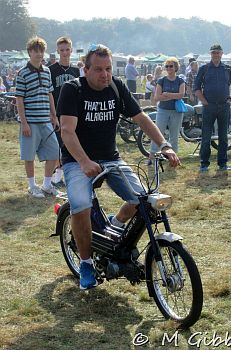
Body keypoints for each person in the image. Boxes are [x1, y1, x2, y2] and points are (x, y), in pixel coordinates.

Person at [57, 44, 180, 290]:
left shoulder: (116, 87)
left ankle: (112, 230)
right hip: (77, 161)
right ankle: (86, 263)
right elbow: (67, 131)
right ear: (86, 69)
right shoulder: (72, 90)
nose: (105, 74)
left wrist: (164, 145)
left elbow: (142, 118)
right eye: (99, 69)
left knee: (142, 200)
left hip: (111, 158)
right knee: (81, 205)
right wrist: (83, 161)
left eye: (109, 69)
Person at [15, 36, 59, 198]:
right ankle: (32, 186)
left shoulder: (47, 71)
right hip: (30, 122)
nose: (39, 54)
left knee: (54, 153)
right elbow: (19, 99)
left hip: (46, 121)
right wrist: (24, 123)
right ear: (29, 52)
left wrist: (54, 115)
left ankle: (47, 185)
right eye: (36, 51)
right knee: (29, 155)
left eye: (41, 51)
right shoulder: (22, 73)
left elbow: (50, 94)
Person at [194, 44, 231, 172]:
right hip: (209, 106)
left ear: (222, 54)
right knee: (206, 136)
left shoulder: (228, 69)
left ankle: (222, 163)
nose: (216, 55)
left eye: (218, 52)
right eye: (214, 52)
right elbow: (196, 87)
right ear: (210, 54)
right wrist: (204, 101)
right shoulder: (204, 68)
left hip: (224, 106)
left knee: (223, 136)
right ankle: (204, 164)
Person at [49, 37, 80, 187]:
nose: (65, 53)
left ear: (71, 50)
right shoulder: (51, 70)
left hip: (72, 113)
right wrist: (51, 113)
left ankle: (63, 176)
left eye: (67, 49)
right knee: (57, 146)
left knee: (69, 145)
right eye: (62, 50)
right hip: (56, 113)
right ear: (57, 51)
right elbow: (48, 94)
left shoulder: (76, 71)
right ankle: (55, 176)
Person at [148, 57, 186, 163]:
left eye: (171, 66)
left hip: (176, 111)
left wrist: (167, 94)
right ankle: (151, 157)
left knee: (174, 135)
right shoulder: (162, 80)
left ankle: (173, 159)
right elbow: (157, 97)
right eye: (167, 66)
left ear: (175, 68)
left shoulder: (180, 80)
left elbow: (181, 95)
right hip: (163, 110)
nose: (168, 68)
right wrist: (173, 96)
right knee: (158, 133)